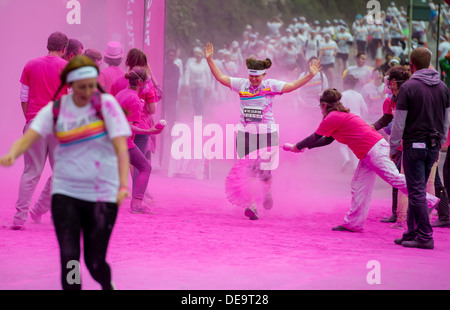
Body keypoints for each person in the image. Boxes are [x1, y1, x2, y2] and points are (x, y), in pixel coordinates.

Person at [1, 55, 131, 290]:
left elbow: (121, 148)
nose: (88, 91)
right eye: (82, 87)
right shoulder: (57, 109)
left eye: (91, 85)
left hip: (101, 196)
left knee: (94, 262)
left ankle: (106, 284)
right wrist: (12, 153)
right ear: (70, 85)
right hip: (66, 195)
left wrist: (123, 185)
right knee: (70, 258)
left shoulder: (107, 106)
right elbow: (31, 134)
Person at [284, 88, 439, 233]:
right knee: (359, 186)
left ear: (324, 105)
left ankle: (429, 200)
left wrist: (296, 147)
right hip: (369, 153)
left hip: (374, 150)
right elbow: (327, 140)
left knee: (394, 178)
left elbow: (315, 137)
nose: (320, 109)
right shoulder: (338, 116)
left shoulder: (332, 117)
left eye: (321, 106)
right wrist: (304, 148)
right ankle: (354, 223)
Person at [204, 42, 322, 220]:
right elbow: (220, 77)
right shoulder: (241, 85)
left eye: (257, 77)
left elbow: (292, 86)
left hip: (267, 134)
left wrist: (310, 76)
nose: (253, 80)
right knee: (250, 170)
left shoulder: (270, 86)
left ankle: (267, 193)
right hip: (245, 134)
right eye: (251, 76)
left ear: (263, 75)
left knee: (265, 172)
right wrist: (210, 60)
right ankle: (252, 205)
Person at [390, 47, 450, 249]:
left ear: (412, 64)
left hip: (413, 145)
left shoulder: (409, 87)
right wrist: (440, 141)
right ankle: (411, 232)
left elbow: (399, 122)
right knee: (418, 190)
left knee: (415, 192)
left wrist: (393, 147)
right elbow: (446, 120)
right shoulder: (443, 87)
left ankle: (424, 236)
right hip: (433, 145)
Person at [12, 31, 69, 230]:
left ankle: (19, 217)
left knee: (30, 172)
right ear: (64, 49)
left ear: (47, 46)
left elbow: (24, 97)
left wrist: (29, 120)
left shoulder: (30, 65)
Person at [111, 48, 161, 207]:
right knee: (143, 164)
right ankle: (139, 199)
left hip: (118, 129)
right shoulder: (146, 87)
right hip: (139, 126)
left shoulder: (119, 83)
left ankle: (135, 196)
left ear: (127, 62)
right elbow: (152, 109)